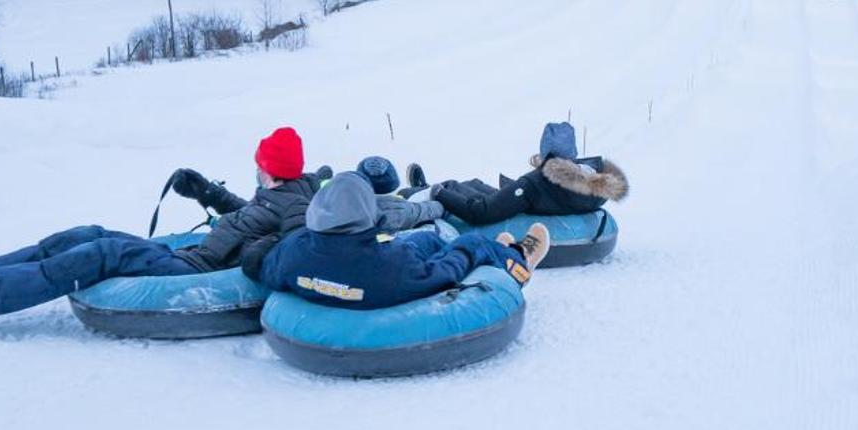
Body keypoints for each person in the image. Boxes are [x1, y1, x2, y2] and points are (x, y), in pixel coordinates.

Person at [0, 126, 317, 319]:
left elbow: (299, 248)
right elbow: (246, 218)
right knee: (91, 233)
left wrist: (257, 251)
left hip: (193, 270)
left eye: (259, 162)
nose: (255, 167)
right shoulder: (276, 195)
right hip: (192, 255)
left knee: (104, 252)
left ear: (268, 168)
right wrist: (204, 191)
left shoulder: (294, 205)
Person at [257, 171, 549, 310]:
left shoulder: (291, 253)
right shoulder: (393, 267)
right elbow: (443, 273)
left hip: (341, 256)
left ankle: (496, 248)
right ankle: (518, 259)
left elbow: (258, 264)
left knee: (424, 240)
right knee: (470, 244)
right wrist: (466, 252)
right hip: (377, 268)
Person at [409, 121, 629, 227]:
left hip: (530, 200)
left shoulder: (536, 182)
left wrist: (439, 194)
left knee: (453, 188)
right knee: (475, 183)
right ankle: (432, 187)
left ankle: (422, 191)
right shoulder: (595, 181)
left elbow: (482, 214)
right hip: (545, 202)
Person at [356, 155, 447, 231]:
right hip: (398, 237)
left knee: (405, 194)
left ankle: (421, 187)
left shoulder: (347, 206)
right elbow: (433, 209)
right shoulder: (400, 211)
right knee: (410, 195)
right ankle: (423, 187)